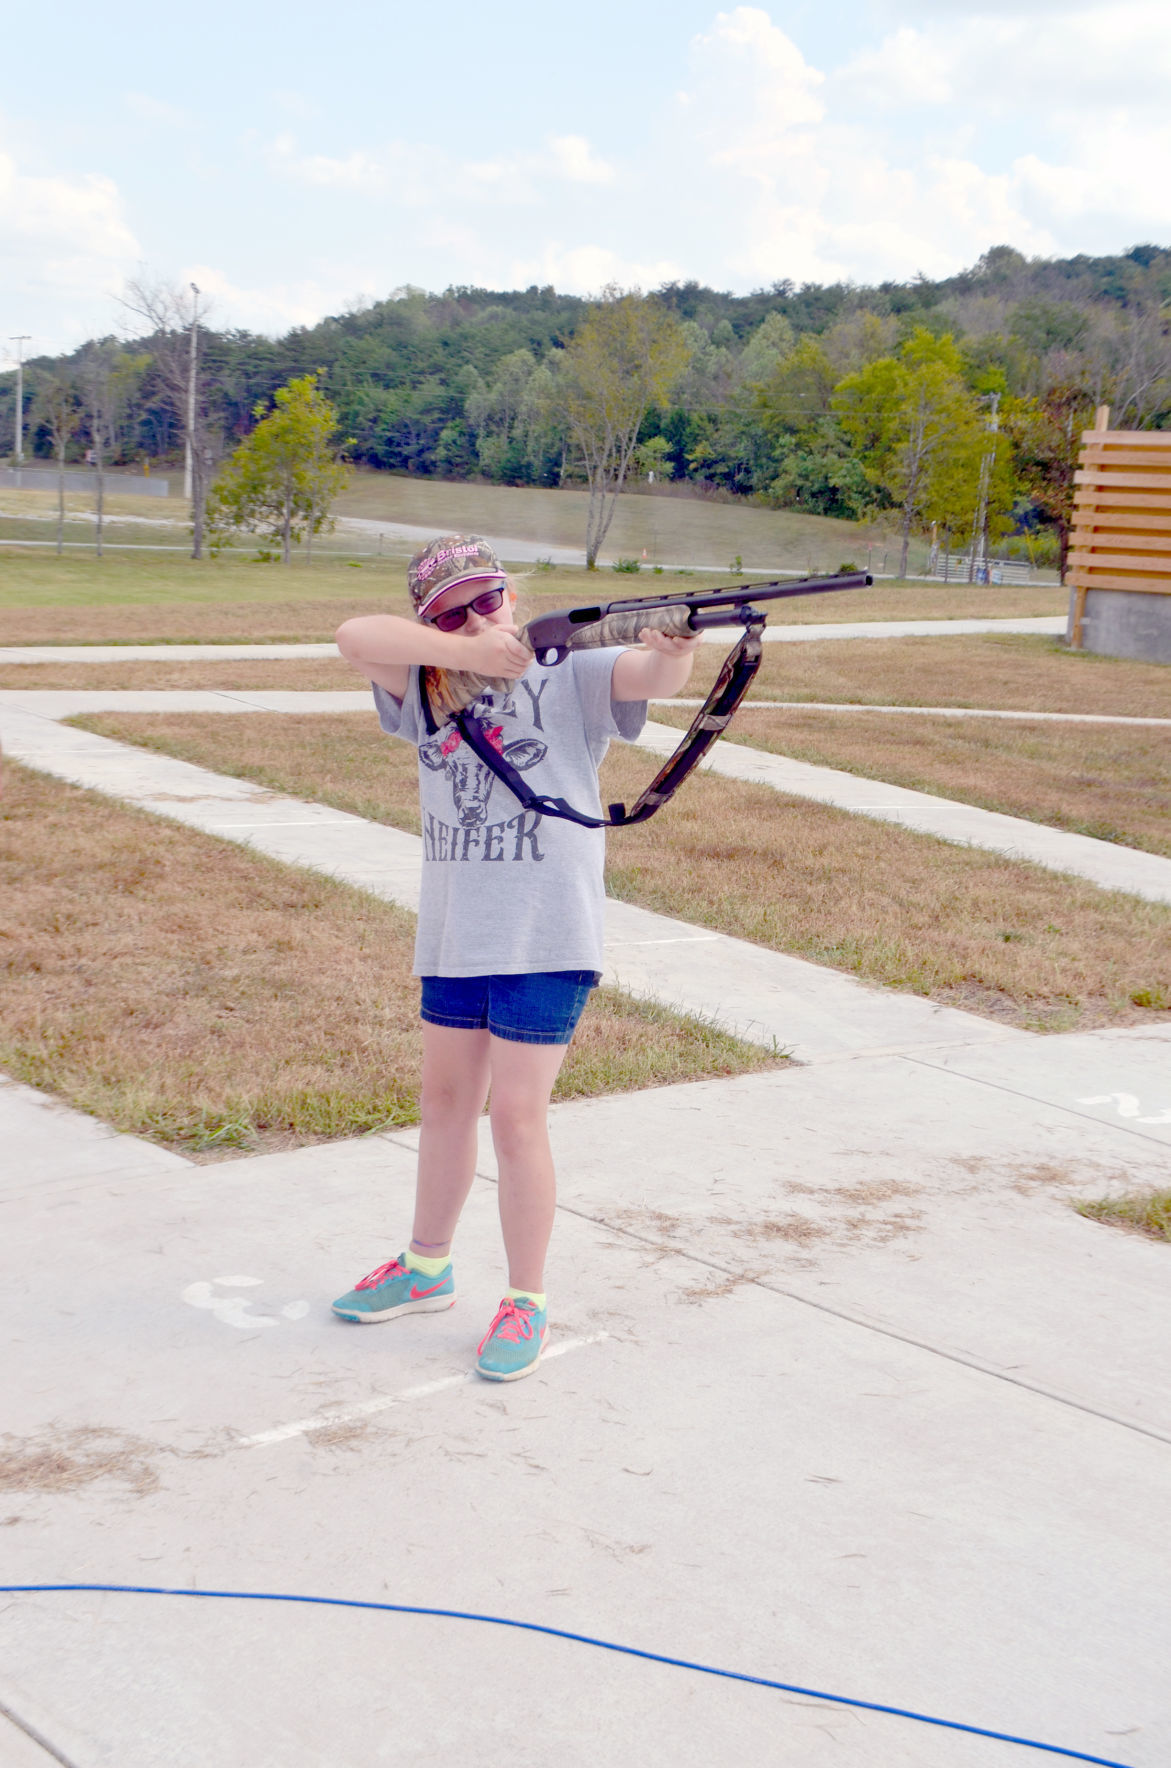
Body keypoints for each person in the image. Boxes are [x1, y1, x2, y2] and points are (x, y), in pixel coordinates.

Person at [330, 534, 701, 1380]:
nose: (482, 615)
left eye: (490, 598)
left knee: (516, 1118)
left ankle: (524, 1300)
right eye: (455, 609)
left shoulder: (566, 670)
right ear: (434, 624)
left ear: (512, 591)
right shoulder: (426, 687)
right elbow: (356, 636)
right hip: (458, 932)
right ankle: (426, 1268)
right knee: (444, 1102)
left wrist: (673, 648)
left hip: (546, 933)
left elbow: (648, 680)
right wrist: (461, 649)